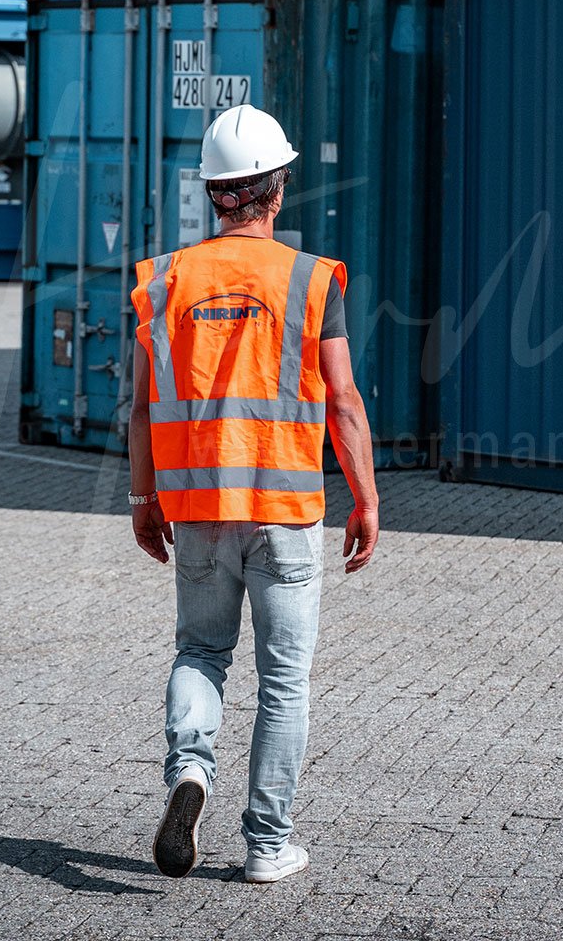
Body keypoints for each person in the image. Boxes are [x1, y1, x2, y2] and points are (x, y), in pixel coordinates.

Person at [127, 104, 381, 885]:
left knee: (201, 652)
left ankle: (189, 773)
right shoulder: (310, 280)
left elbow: (140, 409)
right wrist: (367, 499)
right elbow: (343, 401)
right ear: (279, 187)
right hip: (285, 512)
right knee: (284, 680)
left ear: (214, 192)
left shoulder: (164, 280)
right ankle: (268, 846)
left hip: (198, 509)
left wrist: (142, 499)